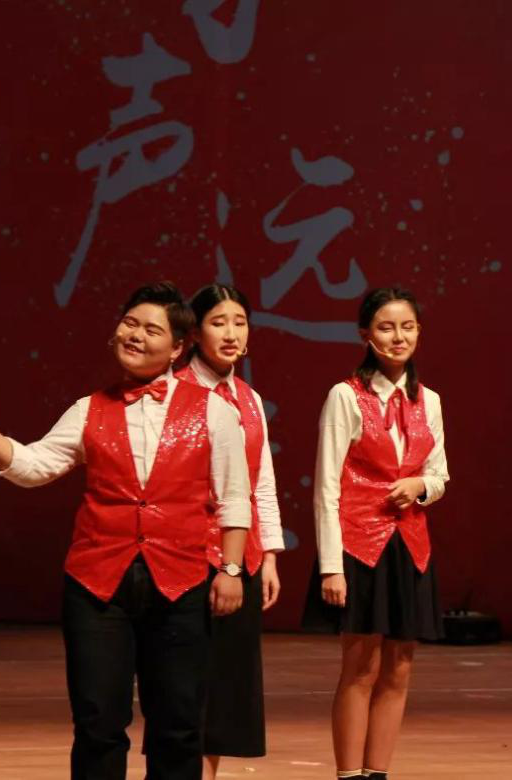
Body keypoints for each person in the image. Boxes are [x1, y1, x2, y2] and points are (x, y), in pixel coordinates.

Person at [0, 281, 250, 780]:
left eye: (151, 329)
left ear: (177, 348)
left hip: (181, 582)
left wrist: (231, 569)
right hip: (96, 585)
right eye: (129, 323)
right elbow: (33, 465)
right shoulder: (89, 408)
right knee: (98, 724)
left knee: (177, 724)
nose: (135, 335)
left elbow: (235, 495)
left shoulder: (214, 410)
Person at [303, 286, 449, 780]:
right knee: (361, 666)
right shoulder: (345, 396)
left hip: (410, 546)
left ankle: (378, 772)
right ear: (366, 334)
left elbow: (439, 474)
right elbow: (326, 486)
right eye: (386, 327)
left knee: (400, 666)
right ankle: (349, 775)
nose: (398, 337)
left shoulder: (429, 401)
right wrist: (331, 567)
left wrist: (421, 486)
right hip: (358, 545)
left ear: (419, 333)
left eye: (407, 327)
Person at [174, 283, 284, 779]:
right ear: (195, 333)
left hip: (244, 557)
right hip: (185, 555)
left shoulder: (249, 399)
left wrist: (270, 555)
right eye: (219, 323)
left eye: (240, 322)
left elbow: (262, 482)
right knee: (185, 684)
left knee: (223, 687)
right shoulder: (175, 390)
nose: (232, 333)